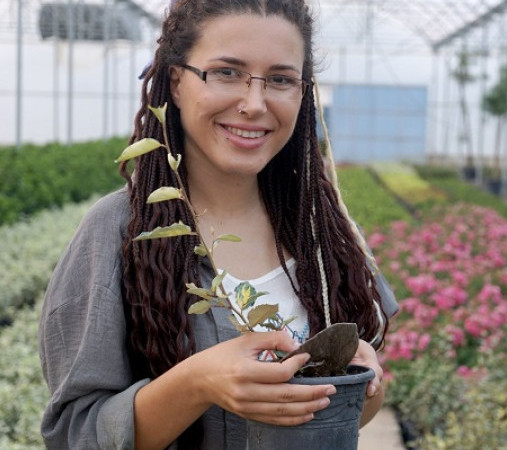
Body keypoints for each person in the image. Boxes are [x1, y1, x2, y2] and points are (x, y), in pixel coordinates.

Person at [37, 0, 398, 448]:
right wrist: (197, 382)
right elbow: (76, 434)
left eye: (281, 79)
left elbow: (356, 411)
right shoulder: (119, 232)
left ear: (303, 93)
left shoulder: (321, 228)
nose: (254, 103)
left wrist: (364, 384)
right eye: (226, 72)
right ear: (176, 80)